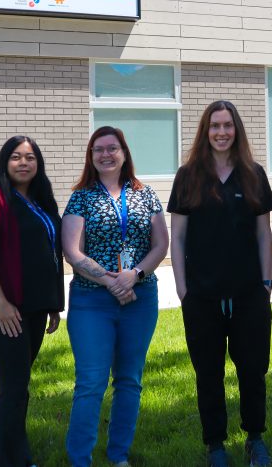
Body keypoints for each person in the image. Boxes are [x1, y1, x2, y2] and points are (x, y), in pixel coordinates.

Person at [168, 101, 272, 467]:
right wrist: (183, 289)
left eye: (228, 125)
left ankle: (255, 438)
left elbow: (264, 234)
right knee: (209, 372)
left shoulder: (253, 174)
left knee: (253, 369)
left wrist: (266, 281)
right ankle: (215, 444)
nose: (221, 132)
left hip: (249, 292)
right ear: (205, 130)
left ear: (237, 130)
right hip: (201, 295)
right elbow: (178, 237)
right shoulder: (188, 176)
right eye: (214, 125)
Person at [62, 125, 169, 467]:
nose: (105, 155)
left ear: (124, 153)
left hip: (140, 299)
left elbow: (161, 244)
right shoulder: (82, 196)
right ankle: (80, 459)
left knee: (129, 381)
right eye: (98, 150)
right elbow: (72, 252)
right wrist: (111, 282)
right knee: (91, 382)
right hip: (92, 300)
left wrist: (134, 275)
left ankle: (119, 455)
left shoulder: (145, 193)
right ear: (91, 157)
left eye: (112, 148)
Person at [0, 135, 64, 467]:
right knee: (12, 388)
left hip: (36, 306)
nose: (23, 163)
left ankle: (20, 457)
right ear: (4, 163)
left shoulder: (43, 201)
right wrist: (0, 302)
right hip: (2, 308)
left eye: (30, 157)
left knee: (20, 387)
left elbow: (51, 253)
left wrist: (54, 302)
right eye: (15, 157)